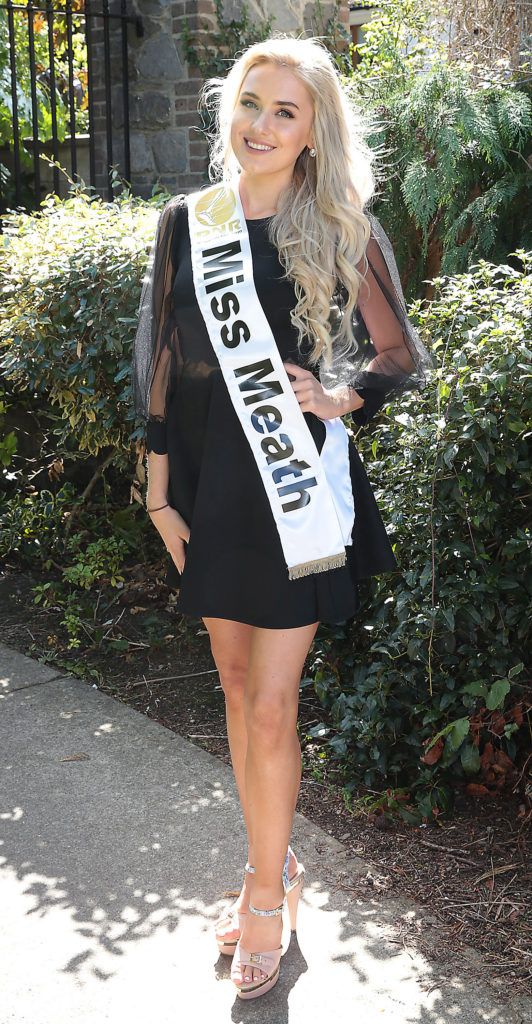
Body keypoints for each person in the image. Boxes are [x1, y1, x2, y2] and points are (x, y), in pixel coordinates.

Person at [131, 35, 433, 1000]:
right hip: (212, 483)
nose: (259, 125)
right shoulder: (192, 222)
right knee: (230, 684)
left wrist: (340, 398)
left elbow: (398, 357)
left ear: (313, 133)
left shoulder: (341, 226)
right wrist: (157, 487)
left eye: (284, 112)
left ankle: (266, 892)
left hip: (292, 485)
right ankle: (277, 861)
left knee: (271, 701)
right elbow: (167, 362)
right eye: (249, 103)